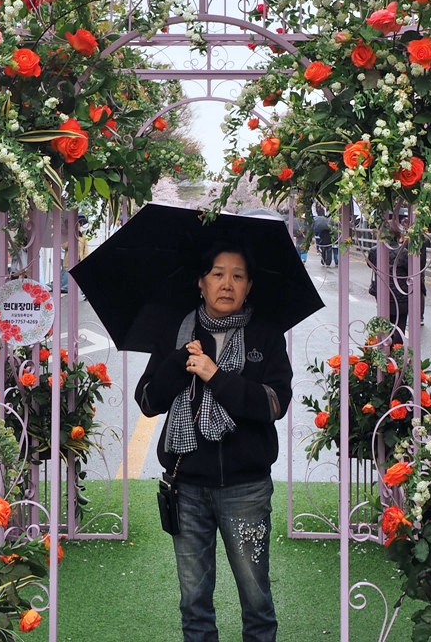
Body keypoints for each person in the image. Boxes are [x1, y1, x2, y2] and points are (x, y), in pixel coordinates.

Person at [135, 243, 293, 642]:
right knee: (194, 603)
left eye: (238, 276)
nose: (227, 284)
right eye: (218, 274)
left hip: (246, 489)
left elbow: (274, 404)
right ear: (201, 283)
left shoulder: (266, 335)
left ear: (249, 285)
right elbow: (149, 401)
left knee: (256, 600)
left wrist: (215, 375)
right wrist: (179, 362)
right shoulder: (179, 332)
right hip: (187, 487)